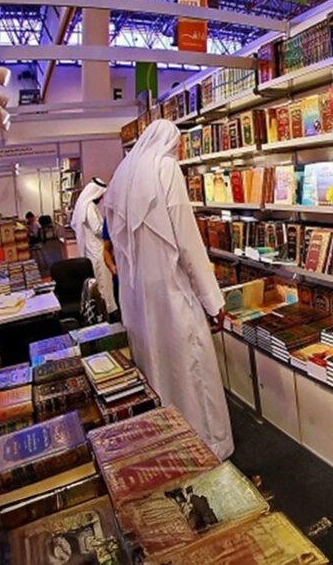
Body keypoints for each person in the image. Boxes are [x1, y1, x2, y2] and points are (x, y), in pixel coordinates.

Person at [104, 119, 232, 460]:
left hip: (136, 296)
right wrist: (212, 301)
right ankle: (206, 446)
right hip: (171, 292)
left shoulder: (122, 176)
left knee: (156, 368)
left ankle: (167, 446)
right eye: (176, 145)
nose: (177, 152)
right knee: (191, 370)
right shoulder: (165, 170)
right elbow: (188, 242)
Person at [70, 178, 117, 313]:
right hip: (98, 251)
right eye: (101, 194)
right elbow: (97, 229)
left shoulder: (86, 206)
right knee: (104, 283)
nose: (102, 197)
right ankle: (108, 311)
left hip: (93, 249)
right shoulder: (89, 206)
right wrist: (111, 227)